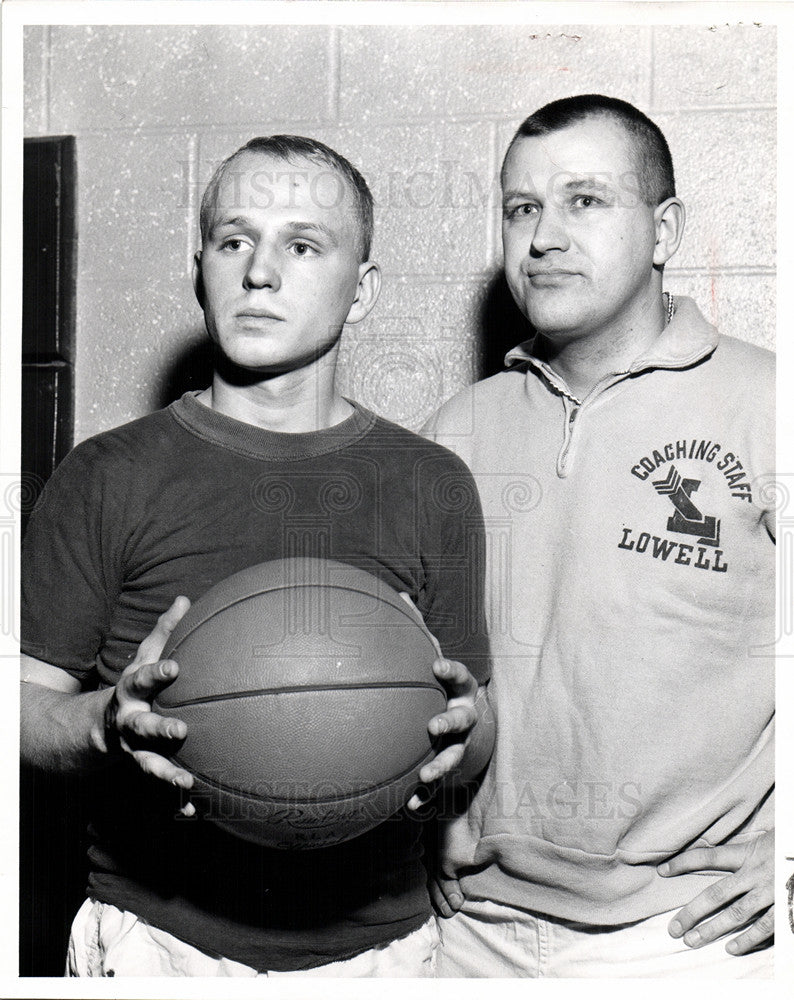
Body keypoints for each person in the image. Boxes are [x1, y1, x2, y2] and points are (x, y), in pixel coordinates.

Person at [20, 135, 493, 977]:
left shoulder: (433, 482)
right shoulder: (105, 473)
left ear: (364, 290)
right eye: (234, 241)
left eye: (303, 245)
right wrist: (103, 723)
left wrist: (468, 732)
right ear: (198, 267)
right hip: (158, 944)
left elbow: (476, 721)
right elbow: (18, 708)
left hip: (380, 950)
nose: (260, 273)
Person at [424, 94, 774, 978]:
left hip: (693, 939)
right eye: (521, 208)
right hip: (474, 933)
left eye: (585, 200)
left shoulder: (771, 402)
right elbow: (415, 681)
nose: (543, 236)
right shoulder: (451, 434)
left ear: (664, 230)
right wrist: (417, 825)